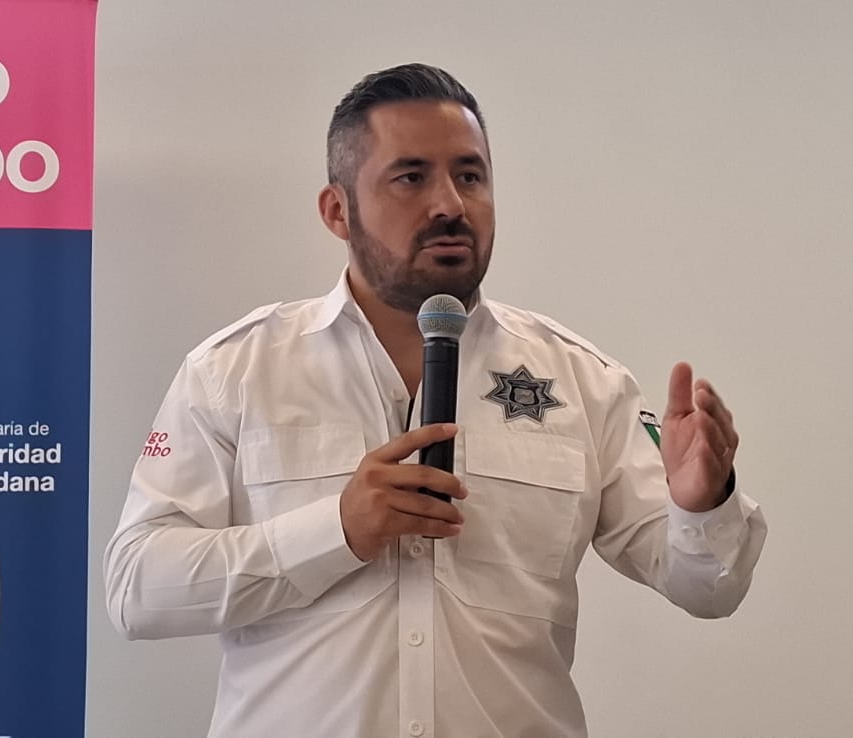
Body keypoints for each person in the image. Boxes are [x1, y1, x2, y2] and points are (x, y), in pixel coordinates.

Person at [104, 63, 768, 736]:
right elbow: (136, 589)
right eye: (411, 177)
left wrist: (702, 502)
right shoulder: (236, 371)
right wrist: (335, 532)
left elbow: (708, 586)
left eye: (470, 176)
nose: (450, 203)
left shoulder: (583, 381)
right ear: (337, 210)